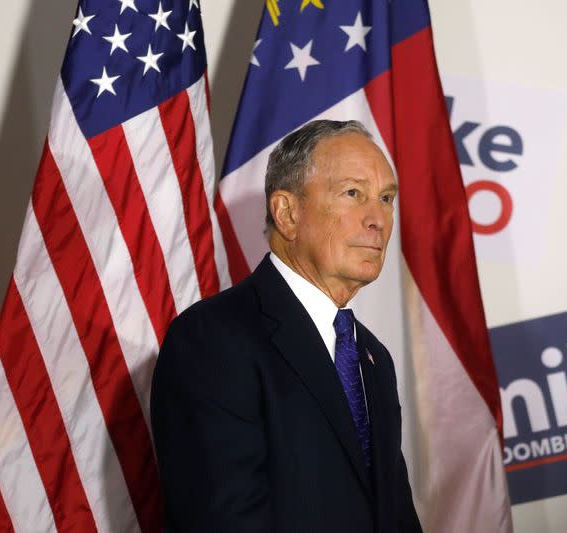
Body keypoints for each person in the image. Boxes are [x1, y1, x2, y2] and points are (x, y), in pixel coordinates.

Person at [150, 120, 422, 532]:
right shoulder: (213, 339)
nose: (378, 219)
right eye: (353, 193)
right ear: (287, 213)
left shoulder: (372, 358)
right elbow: (223, 520)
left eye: (386, 198)